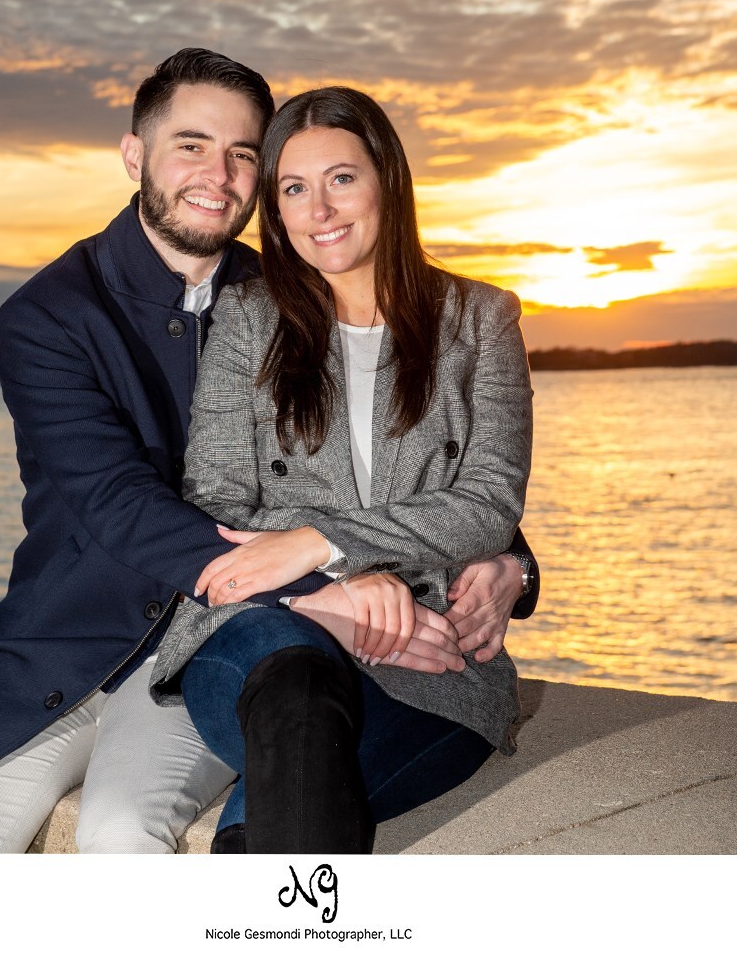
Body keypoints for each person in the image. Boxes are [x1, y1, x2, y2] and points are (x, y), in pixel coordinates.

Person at [0, 51, 537, 854]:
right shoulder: (50, 316)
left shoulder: (287, 294)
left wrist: (510, 560)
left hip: (205, 647)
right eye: (191, 145)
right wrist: (316, 587)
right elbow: (121, 501)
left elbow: (415, 469)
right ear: (135, 156)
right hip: (70, 645)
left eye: (242, 154)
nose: (219, 174)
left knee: (127, 834)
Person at [148, 86, 534, 853]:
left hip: (430, 652)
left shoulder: (482, 321)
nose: (319, 209)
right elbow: (216, 502)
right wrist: (325, 586)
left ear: (388, 179)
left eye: (341, 179)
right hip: (261, 634)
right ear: (277, 212)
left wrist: (317, 538)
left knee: (287, 788)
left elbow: (490, 504)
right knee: (295, 692)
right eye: (294, 188)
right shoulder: (248, 323)